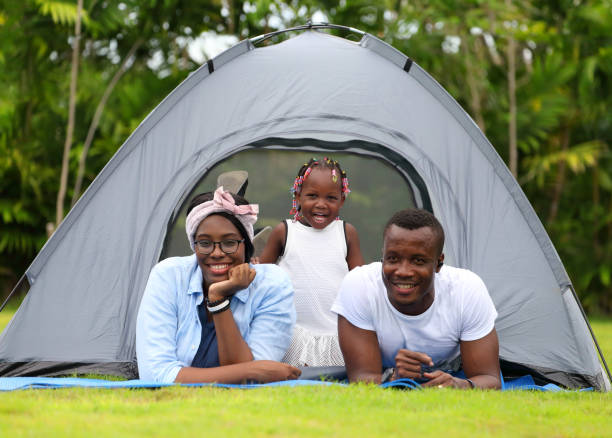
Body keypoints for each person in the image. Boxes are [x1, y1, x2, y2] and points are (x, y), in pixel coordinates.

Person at [136, 186, 301, 383]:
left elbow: (251, 385)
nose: (216, 253)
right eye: (205, 243)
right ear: (194, 245)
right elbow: (155, 374)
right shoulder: (169, 276)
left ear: (246, 245)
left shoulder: (271, 284)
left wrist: (218, 300)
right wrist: (252, 371)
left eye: (229, 243)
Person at [331, 208, 501, 389]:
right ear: (383, 255)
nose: (403, 271)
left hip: (452, 374)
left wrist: (457, 385)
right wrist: (395, 377)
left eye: (418, 261)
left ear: (438, 263)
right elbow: (361, 377)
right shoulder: (360, 286)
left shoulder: (466, 290)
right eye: (393, 258)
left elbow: (489, 379)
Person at [259, 157, 364, 367]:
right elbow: (263, 277)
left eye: (331, 198)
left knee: (335, 382)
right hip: (293, 333)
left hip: (335, 335)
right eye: (312, 196)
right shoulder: (285, 232)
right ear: (297, 196)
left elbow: (359, 281)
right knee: (292, 379)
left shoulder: (346, 233)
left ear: (342, 200)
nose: (321, 204)